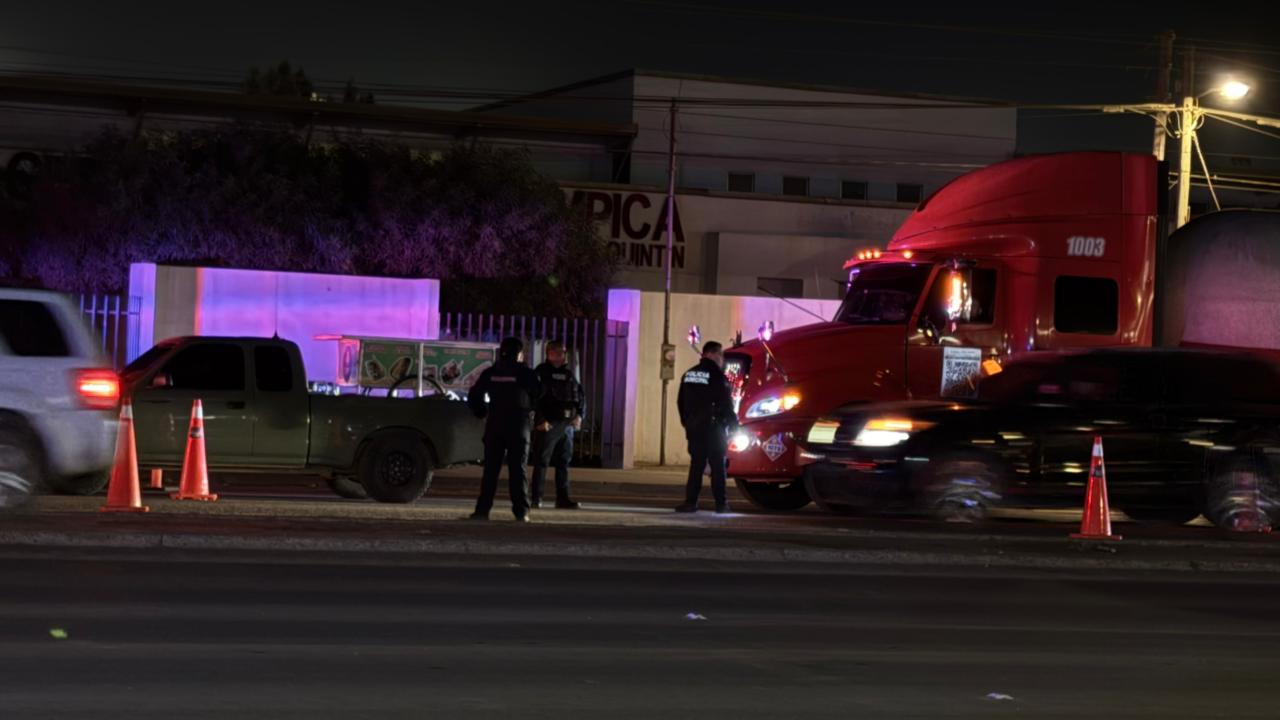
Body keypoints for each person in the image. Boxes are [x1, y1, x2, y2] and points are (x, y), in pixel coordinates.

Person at [467, 337, 542, 522]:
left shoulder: (491, 372)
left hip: (495, 424)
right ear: (518, 354)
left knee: (491, 470)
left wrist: (482, 412)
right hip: (518, 425)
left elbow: (474, 394)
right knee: (518, 470)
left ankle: (482, 511)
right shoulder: (526, 374)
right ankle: (521, 512)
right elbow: (539, 394)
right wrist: (531, 409)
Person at [675, 341, 737, 514]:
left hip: (695, 429)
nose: (722, 360)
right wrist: (733, 425)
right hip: (714, 428)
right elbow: (726, 404)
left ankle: (690, 502)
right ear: (713, 354)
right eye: (721, 355)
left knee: (696, 465)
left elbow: (680, 402)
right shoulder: (718, 376)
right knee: (718, 467)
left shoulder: (689, 374)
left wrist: (687, 423)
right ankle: (721, 504)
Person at [530, 340, 585, 509]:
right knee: (542, 462)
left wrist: (580, 416)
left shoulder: (568, 375)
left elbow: (580, 397)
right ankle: (536, 498)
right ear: (549, 353)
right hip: (548, 424)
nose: (563, 356)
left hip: (566, 425)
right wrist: (540, 420)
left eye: (563, 353)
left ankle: (563, 498)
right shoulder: (541, 373)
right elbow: (533, 399)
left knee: (563, 463)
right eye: (559, 352)